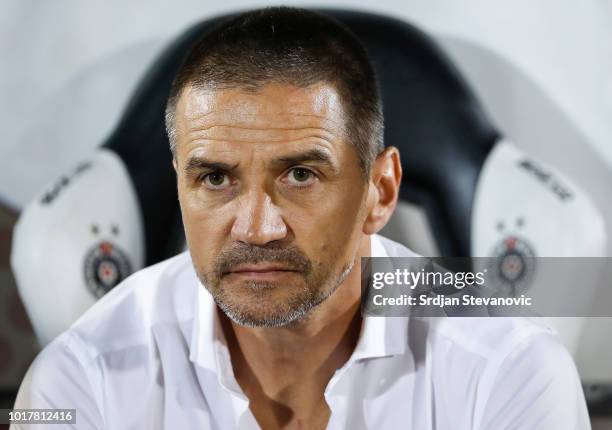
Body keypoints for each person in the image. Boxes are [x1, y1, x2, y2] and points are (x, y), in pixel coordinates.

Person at [13, 7, 589, 430]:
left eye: (300, 176)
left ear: (380, 191)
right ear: (180, 184)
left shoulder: (510, 369)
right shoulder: (78, 379)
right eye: (216, 178)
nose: (257, 228)